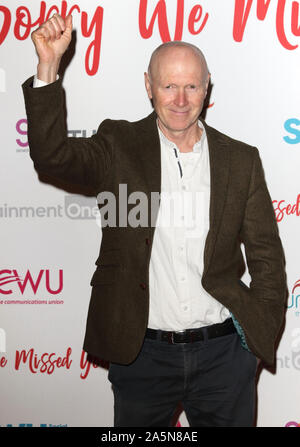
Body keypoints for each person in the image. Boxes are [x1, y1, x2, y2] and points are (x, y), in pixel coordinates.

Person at [22, 14, 287, 427]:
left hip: (223, 357)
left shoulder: (241, 159)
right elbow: (53, 156)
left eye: (191, 86)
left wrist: (254, 340)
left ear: (207, 86)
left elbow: (268, 259)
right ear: (149, 86)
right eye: (168, 86)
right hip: (142, 357)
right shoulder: (118, 144)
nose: (180, 100)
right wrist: (48, 67)